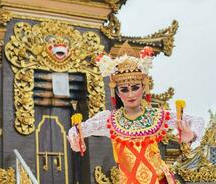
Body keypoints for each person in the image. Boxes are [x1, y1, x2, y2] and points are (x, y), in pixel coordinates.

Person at [68, 42, 204, 184]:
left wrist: (191, 135)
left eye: (135, 87)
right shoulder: (109, 120)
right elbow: (78, 129)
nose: (131, 94)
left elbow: (197, 120)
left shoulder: (157, 116)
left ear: (144, 87)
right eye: (124, 90)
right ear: (117, 93)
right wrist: (75, 138)